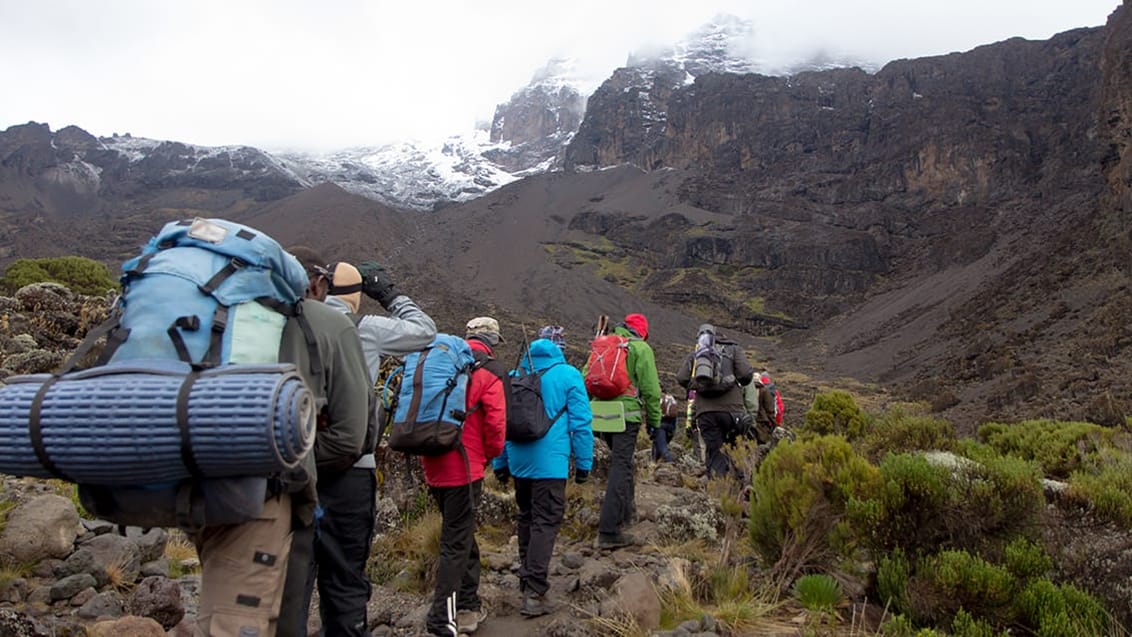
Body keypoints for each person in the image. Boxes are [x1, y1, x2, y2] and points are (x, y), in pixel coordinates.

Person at [277, 248, 375, 637]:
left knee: (282, 587)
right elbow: (352, 435)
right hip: (341, 480)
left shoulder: (245, 321)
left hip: (256, 482)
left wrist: (273, 462)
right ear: (317, 284)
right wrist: (301, 463)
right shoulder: (335, 326)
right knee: (344, 584)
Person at [492, 338, 593, 618]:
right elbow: (581, 422)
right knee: (546, 522)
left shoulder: (513, 376)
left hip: (518, 463)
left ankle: (527, 579)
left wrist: (500, 463)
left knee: (527, 518)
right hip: (551, 466)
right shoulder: (568, 374)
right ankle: (534, 593)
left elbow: (499, 422)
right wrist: (584, 464)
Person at [420, 317, 508, 636]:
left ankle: (469, 601)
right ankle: (442, 617)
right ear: (492, 342)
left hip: (432, 461)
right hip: (465, 467)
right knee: (455, 542)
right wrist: (491, 457)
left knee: (459, 533)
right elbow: (496, 426)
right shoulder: (489, 372)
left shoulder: (441, 364)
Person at [594, 313, 661, 550]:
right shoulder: (641, 349)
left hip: (598, 416)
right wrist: (655, 422)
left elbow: (586, 377)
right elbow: (652, 391)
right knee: (620, 467)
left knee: (622, 466)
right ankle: (608, 531)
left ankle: (627, 514)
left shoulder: (603, 344)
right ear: (642, 332)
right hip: (625, 416)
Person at [676, 324, 755, 480]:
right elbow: (746, 375)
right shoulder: (733, 349)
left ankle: (717, 492)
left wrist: (697, 386)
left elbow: (681, 378)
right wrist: (731, 381)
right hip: (733, 411)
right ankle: (741, 489)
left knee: (714, 453)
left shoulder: (698, 354)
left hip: (706, 412)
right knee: (736, 449)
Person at [743, 373, 778, 445]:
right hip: (761, 423)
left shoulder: (745, 390)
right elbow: (769, 409)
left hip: (747, 422)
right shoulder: (764, 391)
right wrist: (774, 424)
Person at [652, 391, 679, 463]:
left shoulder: (656, 398)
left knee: (662, 447)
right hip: (670, 425)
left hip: (660, 425)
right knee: (659, 444)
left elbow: (652, 415)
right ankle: (654, 462)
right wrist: (673, 429)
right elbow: (676, 415)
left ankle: (670, 462)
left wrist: (651, 430)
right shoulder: (671, 398)